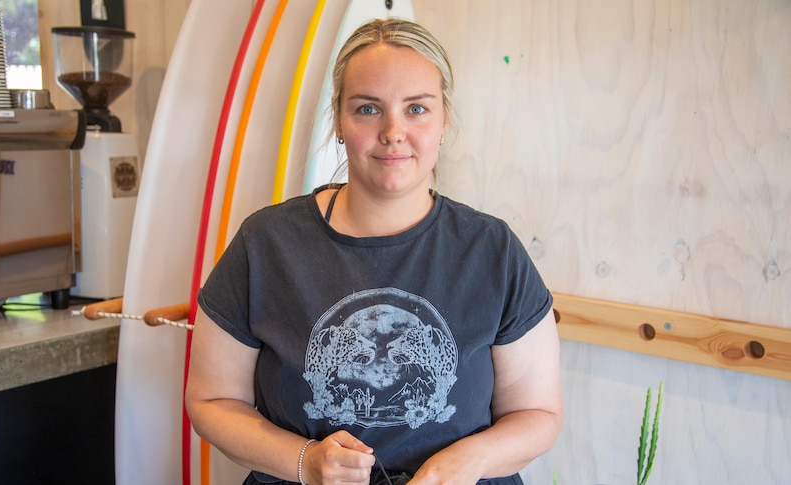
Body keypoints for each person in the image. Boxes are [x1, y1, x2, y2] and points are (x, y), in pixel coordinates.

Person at [186, 18, 562, 485]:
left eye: (417, 109)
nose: (393, 131)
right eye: (367, 109)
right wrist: (305, 461)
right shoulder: (265, 245)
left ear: (443, 120)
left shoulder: (494, 252)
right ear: (339, 121)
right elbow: (210, 401)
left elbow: (537, 411)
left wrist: (467, 464)